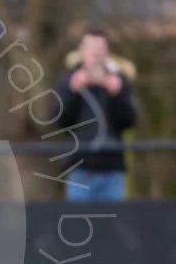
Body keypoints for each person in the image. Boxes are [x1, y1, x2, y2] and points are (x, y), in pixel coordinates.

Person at [53, 28, 138, 202]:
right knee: (80, 223)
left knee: (112, 223)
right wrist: (72, 93)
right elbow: (59, 120)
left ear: (107, 51)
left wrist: (117, 95)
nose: (96, 53)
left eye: (100, 48)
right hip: (80, 168)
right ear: (81, 50)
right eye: (91, 47)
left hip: (112, 168)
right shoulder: (66, 80)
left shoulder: (119, 80)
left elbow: (129, 120)